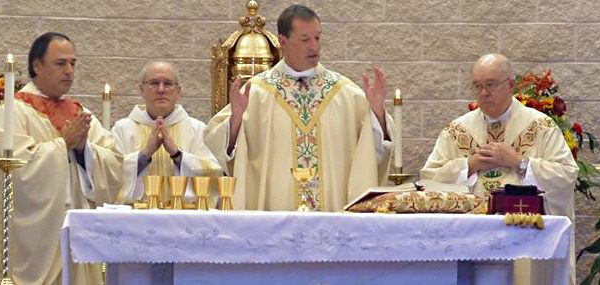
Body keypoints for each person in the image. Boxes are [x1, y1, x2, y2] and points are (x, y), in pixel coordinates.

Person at [205, 4, 393, 212]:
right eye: (305, 40)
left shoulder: (345, 94)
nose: (314, 46)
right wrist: (235, 122)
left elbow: (372, 150)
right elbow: (219, 150)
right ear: (283, 42)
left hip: (332, 217)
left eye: (318, 38)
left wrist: (377, 113)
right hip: (275, 217)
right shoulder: (257, 93)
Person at [0, 32, 122, 285]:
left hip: (77, 239)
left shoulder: (81, 114)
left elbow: (114, 167)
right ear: (37, 65)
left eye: (73, 63)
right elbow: (15, 173)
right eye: (60, 63)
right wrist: (63, 143)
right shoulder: (12, 113)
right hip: (33, 244)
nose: (69, 71)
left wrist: (83, 149)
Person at [420, 53, 578, 284]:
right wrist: (470, 165)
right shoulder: (457, 130)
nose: (484, 93)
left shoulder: (540, 126)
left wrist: (518, 162)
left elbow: (566, 175)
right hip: (470, 239)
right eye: (477, 86)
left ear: (511, 84)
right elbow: (429, 179)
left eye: (491, 84)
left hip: (525, 234)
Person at [112, 61, 221, 205]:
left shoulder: (197, 130)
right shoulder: (122, 129)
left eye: (168, 84)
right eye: (154, 83)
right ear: (141, 90)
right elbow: (109, 174)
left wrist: (177, 154)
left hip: (184, 220)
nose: (161, 89)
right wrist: (144, 155)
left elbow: (214, 173)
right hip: (136, 219)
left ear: (178, 91)